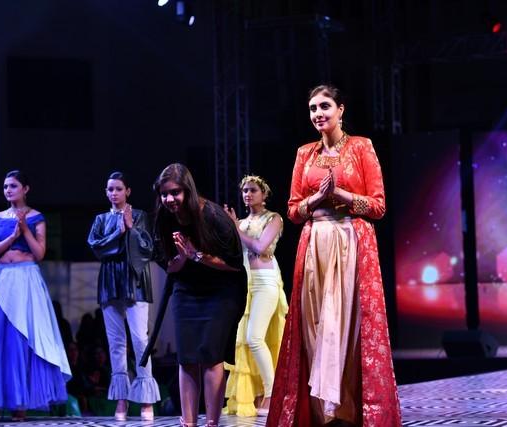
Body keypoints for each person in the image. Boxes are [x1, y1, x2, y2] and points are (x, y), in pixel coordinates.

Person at [267, 85, 401, 427]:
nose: (318, 113)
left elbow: (379, 206)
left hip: (351, 240)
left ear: (341, 109)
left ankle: (348, 412)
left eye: (325, 106)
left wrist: (342, 194)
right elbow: (293, 211)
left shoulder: (361, 147)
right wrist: (316, 199)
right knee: (314, 326)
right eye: (313, 108)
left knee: (347, 327)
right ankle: (321, 413)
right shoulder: (305, 153)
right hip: (315, 244)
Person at [0, 170, 70, 421]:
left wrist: (24, 230)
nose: (8, 190)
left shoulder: (36, 217)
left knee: (20, 341)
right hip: (2, 279)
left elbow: (40, 253)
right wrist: (12, 236)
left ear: (25, 189)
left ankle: (19, 403)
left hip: (26, 280)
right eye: (5, 186)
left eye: (13, 186)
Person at [152, 163, 247, 427]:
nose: (169, 199)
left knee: (211, 356)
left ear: (188, 190)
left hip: (221, 291)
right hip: (187, 290)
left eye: (175, 192)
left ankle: (212, 422)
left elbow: (234, 263)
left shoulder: (213, 216)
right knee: (187, 357)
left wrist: (196, 255)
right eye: (164, 194)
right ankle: (189, 422)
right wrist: (183, 258)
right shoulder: (164, 218)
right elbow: (168, 266)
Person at [87, 171, 160, 421]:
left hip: (135, 282)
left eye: (118, 188)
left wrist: (130, 229)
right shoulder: (100, 219)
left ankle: (146, 398)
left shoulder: (139, 216)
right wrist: (118, 233)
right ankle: (121, 398)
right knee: (116, 342)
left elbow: (147, 248)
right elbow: (97, 247)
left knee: (140, 340)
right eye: (110, 189)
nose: (114, 193)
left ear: (127, 191)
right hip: (110, 283)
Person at [222, 175, 288, 417]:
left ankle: (272, 394)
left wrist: (234, 227)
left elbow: (260, 247)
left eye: (252, 190)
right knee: (244, 342)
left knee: (254, 338)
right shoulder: (239, 223)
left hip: (266, 281)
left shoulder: (274, 219)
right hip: (245, 283)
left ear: (264, 194)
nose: (247, 195)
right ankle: (259, 393)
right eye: (244, 191)